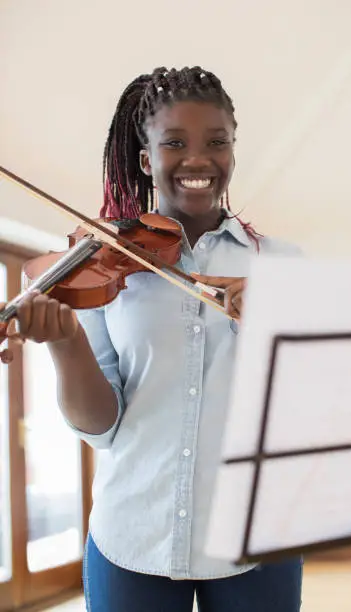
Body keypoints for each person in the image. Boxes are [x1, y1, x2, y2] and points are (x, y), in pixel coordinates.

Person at [1, 66, 303, 611]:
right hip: (131, 536)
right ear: (146, 159)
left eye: (217, 142)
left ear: (233, 151)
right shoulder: (99, 264)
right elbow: (101, 424)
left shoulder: (281, 266)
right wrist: (66, 342)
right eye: (174, 143)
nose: (198, 159)